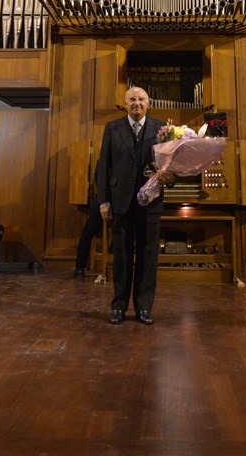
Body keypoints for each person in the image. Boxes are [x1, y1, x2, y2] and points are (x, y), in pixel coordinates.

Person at [97, 86, 172, 325]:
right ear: (125, 103)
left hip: (150, 203)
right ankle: (119, 305)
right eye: (132, 99)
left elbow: (172, 164)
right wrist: (104, 200)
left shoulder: (161, 129)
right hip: (121, 201)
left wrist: (170, 177)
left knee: (148, 255)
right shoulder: (112, 129)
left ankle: (144, 307)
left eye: (141, 99)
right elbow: (103, 167)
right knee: (121, 255)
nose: (136, 103)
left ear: (148, 103)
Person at [73, 197, 103, 277]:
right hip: (108, 200)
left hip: (103, 200)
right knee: (87, 232)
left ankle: (79, 267)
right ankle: (79, 267)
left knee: (87, 233)